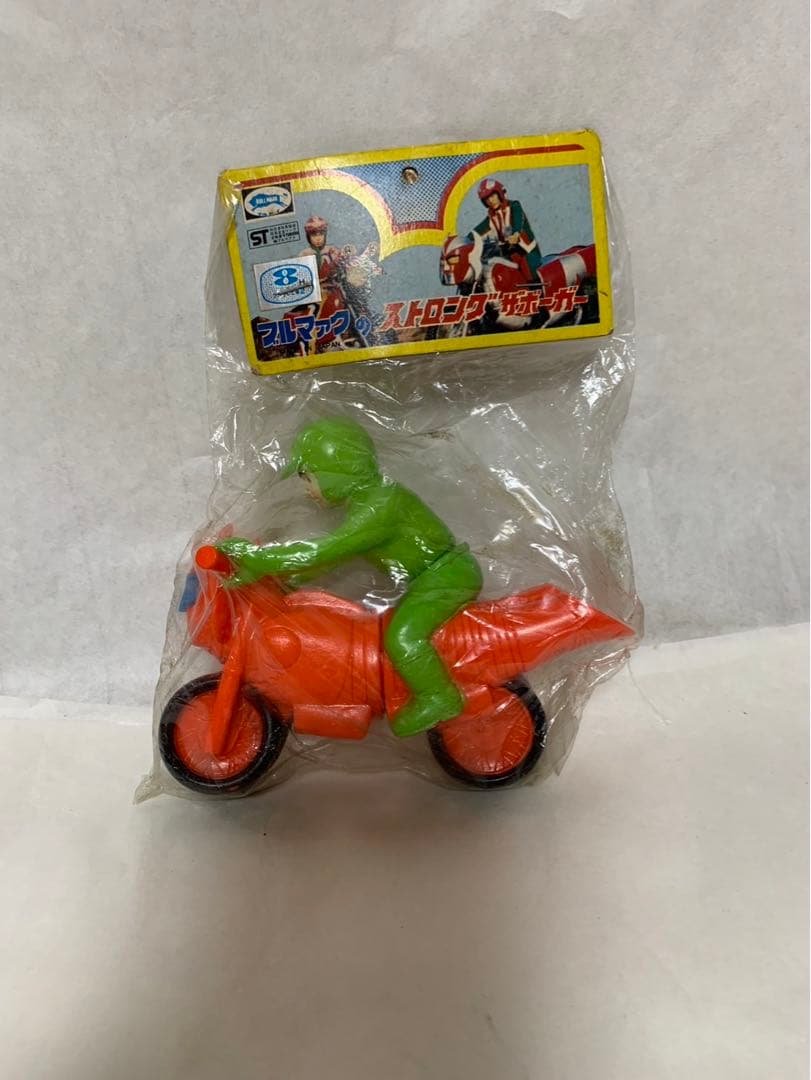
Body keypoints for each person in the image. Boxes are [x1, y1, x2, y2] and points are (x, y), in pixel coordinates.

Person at [215, 418, 483, 737]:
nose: (307, 489)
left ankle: (439, 696)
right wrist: (288, 579)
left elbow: (326, 550)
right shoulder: (369, 501)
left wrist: (260, 557)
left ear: (334, 470)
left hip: (446, 577)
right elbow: (335, 556)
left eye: (308, 477)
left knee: (402, 638)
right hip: (434, 577)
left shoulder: (379, 507)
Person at [473, 178, 543, 282]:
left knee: (531, 274)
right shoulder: (491, 218)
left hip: (527, 251)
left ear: (499, 193)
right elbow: (477, 231)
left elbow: (518, 220)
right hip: (510, 254)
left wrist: (516, 234)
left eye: (492, 196)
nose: (490, 201)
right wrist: (463, 241)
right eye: (487, 199)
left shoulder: (514, 206)